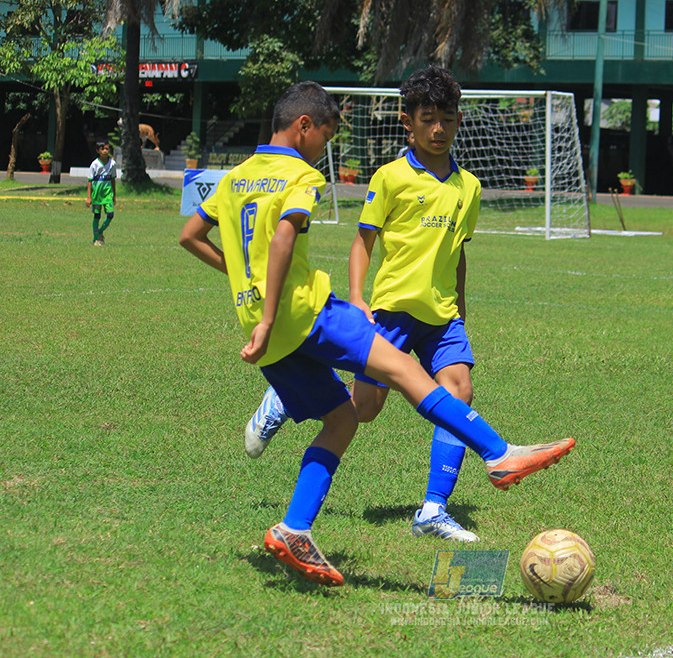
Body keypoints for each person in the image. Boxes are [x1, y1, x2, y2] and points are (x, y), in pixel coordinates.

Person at [179, 81, 575, 588]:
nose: (324, 149)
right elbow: (282, 237)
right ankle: (499, 455)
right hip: (307, 313)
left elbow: (190, 236)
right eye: (325, 137)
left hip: (268, 329)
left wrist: (251, 293)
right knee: (406, 372)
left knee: (343, 418)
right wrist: (273, 312)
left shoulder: (234, 178)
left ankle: (294, 529)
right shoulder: (301, 174)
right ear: (304, 127)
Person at [246, 65, 484, 544]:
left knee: (460, 391)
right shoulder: (390, 177)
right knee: (365, 409)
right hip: (392, 310)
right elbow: (362, 242)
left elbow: (459, 252)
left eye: (448, 119)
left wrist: (460, 307)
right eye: (428, 118)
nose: (439, 128)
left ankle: (434, 509)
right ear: (407, 122)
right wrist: (357, 298)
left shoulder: (469, 187)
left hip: (441, 316)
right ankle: (288, 398)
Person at [85, 140, 117, 246]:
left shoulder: (112, 164)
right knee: (97, 216)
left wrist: (114, 195)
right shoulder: (94, 164)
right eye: (102, 149)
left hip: (107, 194)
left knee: (110, 215)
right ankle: (96, 239)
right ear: (98, 151)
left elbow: (113, 180)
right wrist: (89, 197)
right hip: (97, 195)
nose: (105, 151)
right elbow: (90, 181)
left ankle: (100, 231)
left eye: (107, 149)